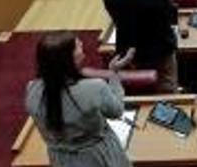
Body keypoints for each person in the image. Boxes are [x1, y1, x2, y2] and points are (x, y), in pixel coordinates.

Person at [25, 31, 135, 167]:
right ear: (68, 58)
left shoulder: (32, 88)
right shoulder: (95, 87)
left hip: (60, 158)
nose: (82, 44)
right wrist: (114, 74)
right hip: (98, 156)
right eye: (77, 45)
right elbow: (116, 111)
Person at [102, 0, 178, 92]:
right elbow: (171, 17)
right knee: (167, 84)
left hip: (128, 50)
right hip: (159, 50)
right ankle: (171, 93)